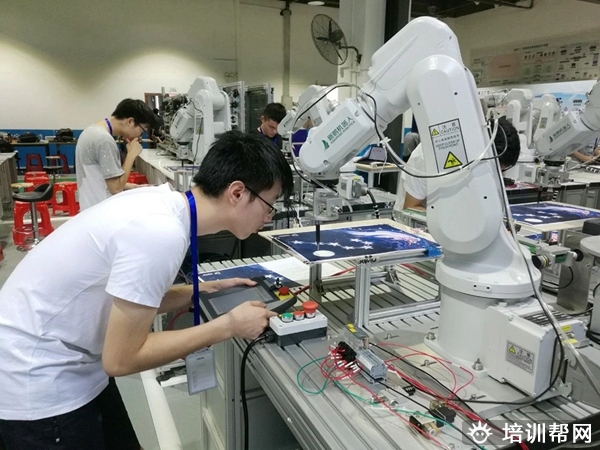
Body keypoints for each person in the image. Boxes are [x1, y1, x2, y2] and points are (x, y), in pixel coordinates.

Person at [0, 130, 293, 450]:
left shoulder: (159, 203)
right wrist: (228, 326)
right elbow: (122, 358)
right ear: (237, 192)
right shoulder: (160, 233)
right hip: (37, 379)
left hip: (72, 359)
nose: (268, 217)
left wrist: (200, 290)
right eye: (270, 204)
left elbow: (129, 299)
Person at [393, 117, 520, 214]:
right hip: (419, 227)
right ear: (483, 152)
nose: (499, 174)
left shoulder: (480, 160)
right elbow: (410, 207)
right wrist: (457, 221)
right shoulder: (428, 156)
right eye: (498, 168)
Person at [75, 98, 155, 211]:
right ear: (130, 122)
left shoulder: (92, 130)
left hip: (90, 208)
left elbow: (102, 180)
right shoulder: (104, 140)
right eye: (143, 129)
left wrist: (135, 187)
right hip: (101, 211)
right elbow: (116, 188)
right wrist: (131, 155)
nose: (140, 135)